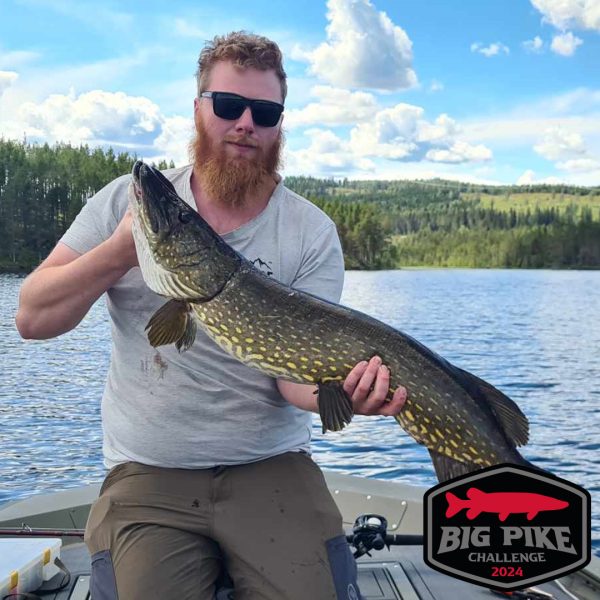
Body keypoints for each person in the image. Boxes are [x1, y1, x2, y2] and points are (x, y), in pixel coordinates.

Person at [16, 31, 406, 600]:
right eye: (228, 105)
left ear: (279, 124)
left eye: (264, 112)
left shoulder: (310, 231)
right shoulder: (124, 204)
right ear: (199, 109)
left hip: (271, 465)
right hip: (148, 473)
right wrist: (121, 250)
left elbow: (291, 381)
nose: (245, 123)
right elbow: (31, 318)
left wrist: (348, 391)